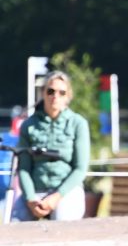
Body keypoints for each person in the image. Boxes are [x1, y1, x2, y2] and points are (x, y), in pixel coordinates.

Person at [13, 71, 90, 221]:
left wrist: (57, 197)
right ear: (43, 93)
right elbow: (23, 168)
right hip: (35, 192)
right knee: (16, 220)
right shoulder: (29, 125)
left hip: (66, 192)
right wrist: (30, 199)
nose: (55, 96)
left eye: (62, 92)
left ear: (68, 97)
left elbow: (80, 169)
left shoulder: (78, 124)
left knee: (62, 220)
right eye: (51, 91)